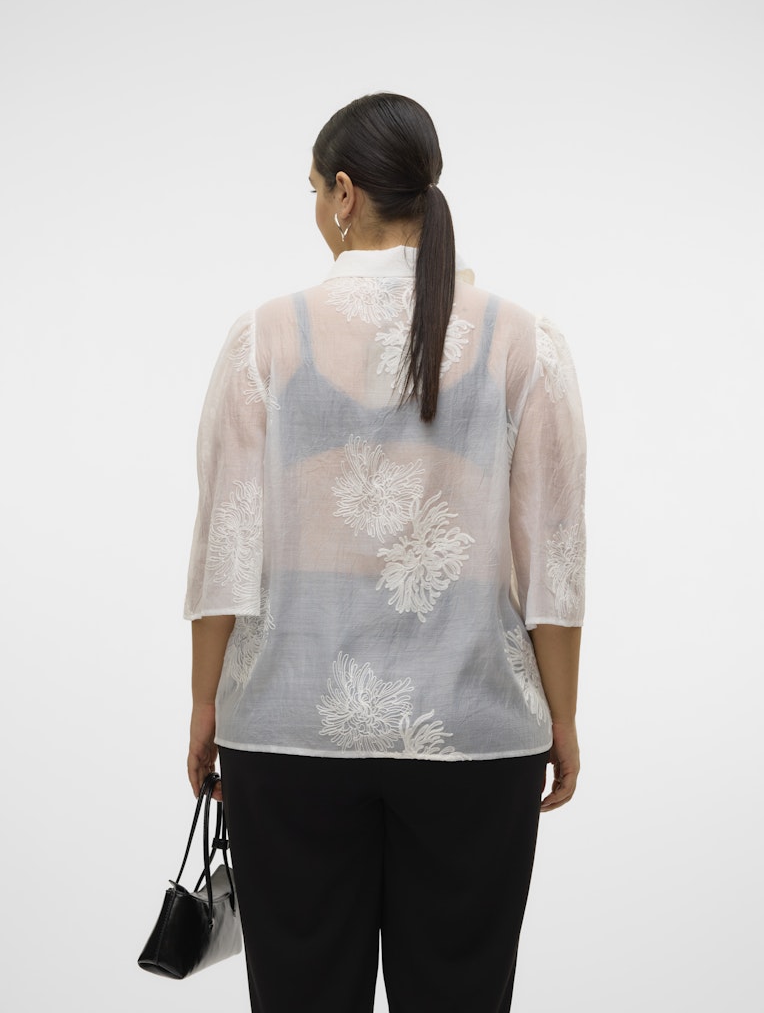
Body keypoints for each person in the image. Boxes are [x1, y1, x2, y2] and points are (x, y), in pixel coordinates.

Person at [184, 92, 586, 1013]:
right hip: (478, 736)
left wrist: (205, 704)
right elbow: (553, 561)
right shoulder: (525, 343)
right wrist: (562, 717)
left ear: (343, 192)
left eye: (312, 188)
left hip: (285, 734)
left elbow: (225, 548)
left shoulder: (262, 340)